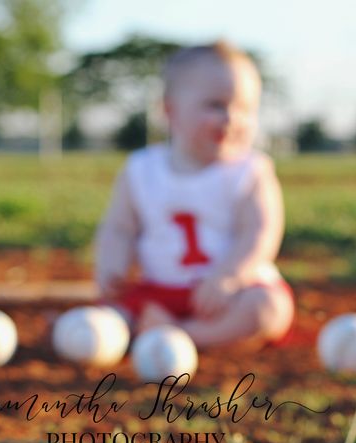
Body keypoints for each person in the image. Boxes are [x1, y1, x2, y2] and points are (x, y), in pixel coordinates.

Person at [95, 40, 294, 349]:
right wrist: (112, 265)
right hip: (160, 294)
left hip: (228, 295)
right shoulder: (141, 169)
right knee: (107, 316)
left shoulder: (251, 171)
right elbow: (119, 228)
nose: (232, 119)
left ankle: (183, 336)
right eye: (216, 105)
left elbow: (260, 233)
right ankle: (141, 329)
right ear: (169, 110)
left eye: (245, 109)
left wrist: (229, 277)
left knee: (268, 309)